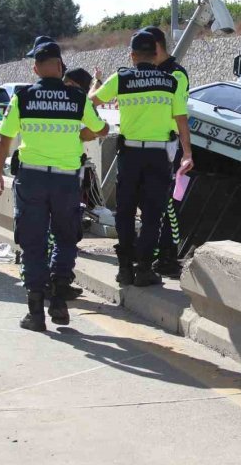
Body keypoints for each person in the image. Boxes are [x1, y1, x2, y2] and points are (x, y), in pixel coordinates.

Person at [0, 39, 108, 332]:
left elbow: (3, 139)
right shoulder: (77, 98)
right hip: (66, 180)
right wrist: (80, 134)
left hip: (31, 179)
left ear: (35, 68)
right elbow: (100, 129)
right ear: (60, 66)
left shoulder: (22, 97)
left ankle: (35, 313)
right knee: (65, 238)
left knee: (33, 242)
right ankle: (58, 298)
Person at [91, 31, 193, 288]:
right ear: (156, 53)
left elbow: (90, 102)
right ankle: (145, 269)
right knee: (152, 214)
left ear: (132, 56)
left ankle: (125, 268)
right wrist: (187, 154)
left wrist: (98, 125)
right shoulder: (171, 81)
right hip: (159, 157)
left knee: (125, 212)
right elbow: (181, 120)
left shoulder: (121, 78)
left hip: (130, 155)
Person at [142, 26, 189, 278]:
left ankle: (166, 257)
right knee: (149, 203)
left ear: (156, 47)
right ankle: (149, 255)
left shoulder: (176, 75)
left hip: (169, 149)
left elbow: (178, 115)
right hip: (146, 148)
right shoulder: (149, 73)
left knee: (169, 204)